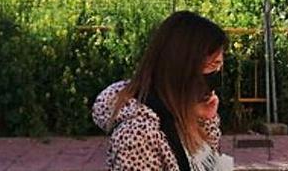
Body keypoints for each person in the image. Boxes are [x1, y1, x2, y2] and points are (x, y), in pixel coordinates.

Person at [93, 11, 234, 171]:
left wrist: (205, 120)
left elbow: (208, 164)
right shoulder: (139, 135)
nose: (217, 73)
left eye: (219, 66)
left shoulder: (177, 112)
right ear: (183, 67)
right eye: (213, 65)